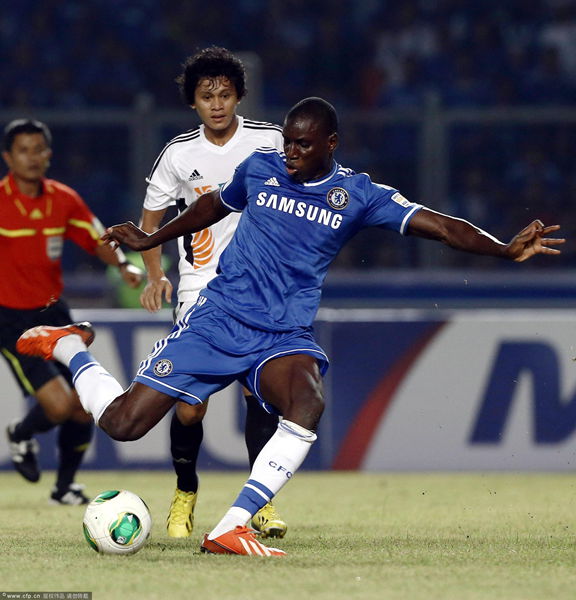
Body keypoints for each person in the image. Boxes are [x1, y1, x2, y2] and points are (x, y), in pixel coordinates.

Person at [17, 98, 564, 552]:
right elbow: (214, 207)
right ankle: (71, 349)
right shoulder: (261, 168)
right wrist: (151, 237)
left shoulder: (357, 195)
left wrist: (501, 249)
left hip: (281, 337)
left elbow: (440, 227)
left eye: (304, 144)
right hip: (218, 321)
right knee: (122, 424)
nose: (291, 152)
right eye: (287, 141)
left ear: (331, 144)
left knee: (309, 400)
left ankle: (232, 525)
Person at [138, 46, 287, 538]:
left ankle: (256, 505)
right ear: (193, 102)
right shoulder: (179, 154)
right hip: (200, 286)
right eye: (207, 96)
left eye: (225, 94)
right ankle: (185, 493)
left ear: (239, 96)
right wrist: (156, 273)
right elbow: (151, 221)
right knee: (189, 405)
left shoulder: (270, 141)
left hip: (262, 286)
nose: (217, 104)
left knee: (260, 393)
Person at [1, 118, 143, 504]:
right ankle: (20, 434)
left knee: (86, 402)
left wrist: (124, 265)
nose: (32, 157)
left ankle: (64, 488)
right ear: (8, 157)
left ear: (49, 155)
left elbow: (96, 237)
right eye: (23, 150)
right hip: (10, 319)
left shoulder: (63, 199)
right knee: (61, 404)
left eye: (38, 149)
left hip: (54, 313)